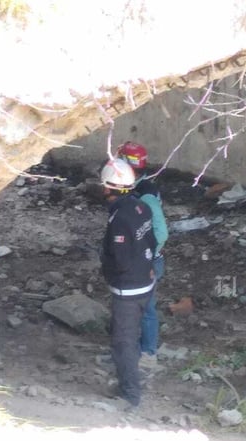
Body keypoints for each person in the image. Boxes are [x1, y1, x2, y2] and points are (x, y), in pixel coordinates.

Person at [99, 158, 157, 407]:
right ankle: (128, 384)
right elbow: (152, 242)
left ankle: (130, 394)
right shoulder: (142, 208)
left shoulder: (119, 219)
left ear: (107, 189)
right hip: (145, 283)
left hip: (128, 290)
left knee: (124, 342)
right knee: (129, 338)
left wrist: (109, 273)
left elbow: (120, 260)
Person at [117, 141, 168, 370]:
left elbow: (161, 232)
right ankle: (131, 350)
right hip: (137, 259)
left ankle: (148, 354)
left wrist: (147, 258)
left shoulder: (145, 194)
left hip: (146, 261)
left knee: (146, 310)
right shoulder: (137, 187)